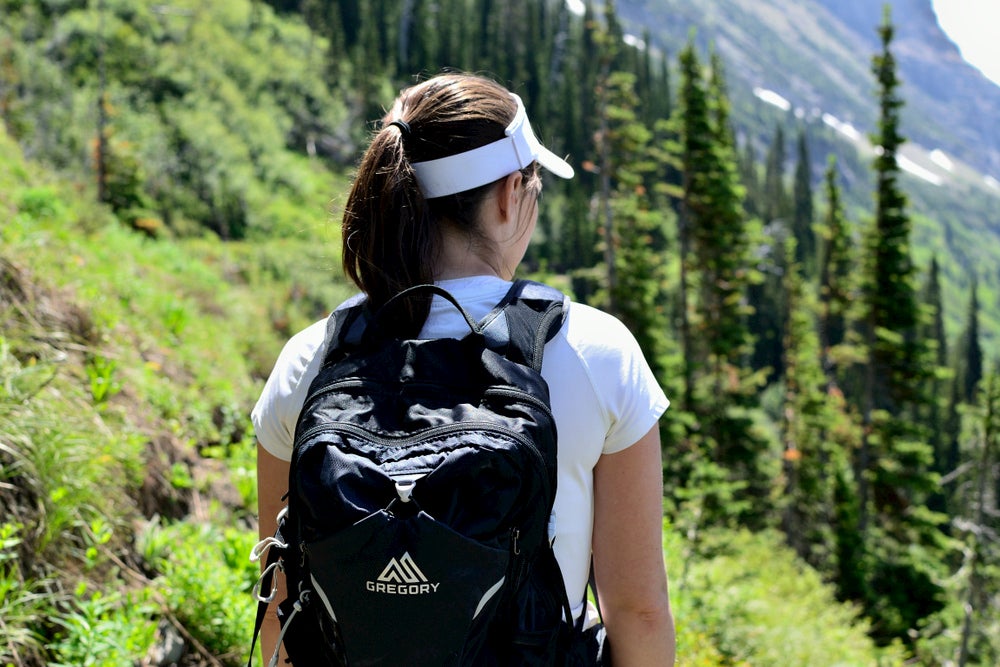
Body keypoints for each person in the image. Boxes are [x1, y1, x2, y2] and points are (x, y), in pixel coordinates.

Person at [253, 72, 675, 666]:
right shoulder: (594, 350)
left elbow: (283, 599)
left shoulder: (312, 359)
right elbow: (637, 609)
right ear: (509, 195)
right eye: (533, 186)